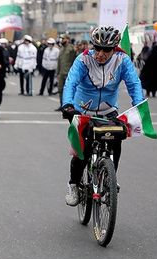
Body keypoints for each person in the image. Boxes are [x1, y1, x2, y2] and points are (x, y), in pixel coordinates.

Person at [61, 25, 144, 206]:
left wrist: (138, 104)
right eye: (97, 48)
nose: (101, 53)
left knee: (116, 139)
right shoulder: (83, 60)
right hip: (82, 111)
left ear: (114, 48)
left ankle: (110, 176)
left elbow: (134, 84)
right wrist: (67, 105)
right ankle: (73, 185)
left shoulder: (122, 60)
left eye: (106, 50)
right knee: (82, 151)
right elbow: (70, 83)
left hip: (108, 111)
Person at [56, 34, 77, 110]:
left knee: (69, 90)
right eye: (61, 38)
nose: (61, 40)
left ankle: (69, 106)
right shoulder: (61, 49)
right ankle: (62, 105)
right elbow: (59, 61)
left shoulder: (71, 49)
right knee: (60, 89)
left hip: (69, 73)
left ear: (67, 39)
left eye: (63, 39)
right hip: (61, 72)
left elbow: (75, 60)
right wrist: (57, 73)